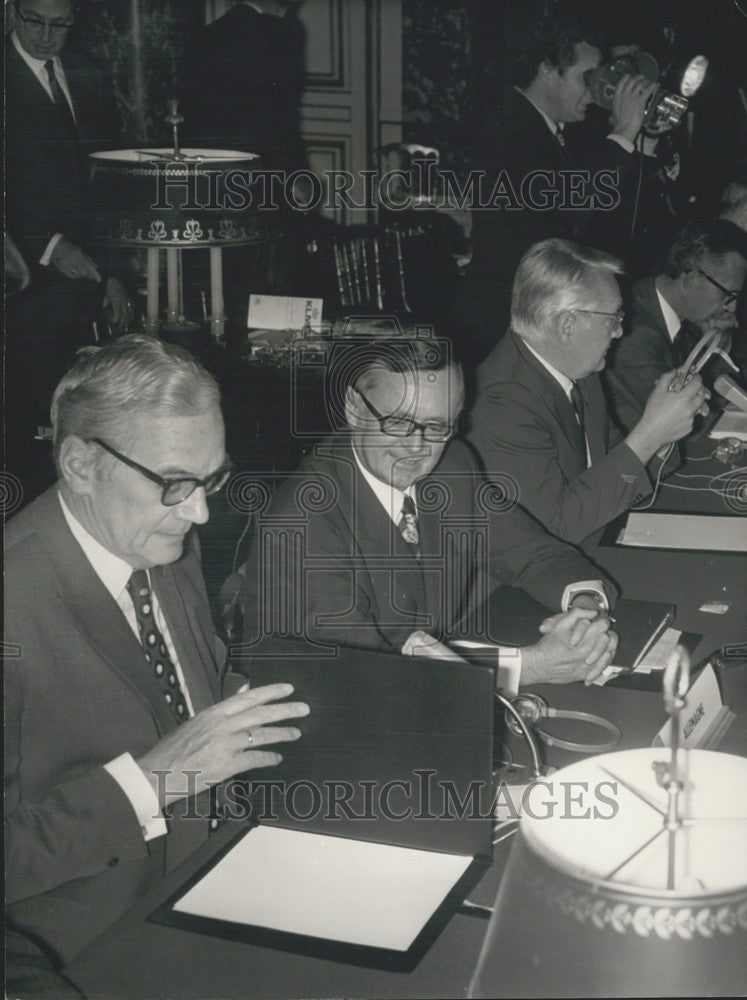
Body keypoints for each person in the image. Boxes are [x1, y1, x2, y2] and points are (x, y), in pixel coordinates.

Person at [4, 335, 309, 972]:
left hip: (213, 872)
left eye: (212, 478)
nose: (199, 512)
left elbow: (201, 680)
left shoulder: (157, 538)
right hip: (86, 946)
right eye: (175, 483)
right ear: (81, 466)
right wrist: (154, 781)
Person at [238, 338, 618, 687]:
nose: (417, 447)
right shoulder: (302, 522)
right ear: (354, 407)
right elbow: (364, 674)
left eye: (437, 426)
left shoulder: (451, 465)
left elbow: (532, 551)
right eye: (399, 422)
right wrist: (526, 667)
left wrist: (584, 610)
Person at [467, 239, 709, 544]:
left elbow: (617, 467)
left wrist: (664, 433)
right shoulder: (501, 404)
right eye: (613, 319)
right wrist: (651, 434)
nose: (620, 331)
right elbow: (554, 530)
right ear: (568, 325)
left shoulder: (578, 367)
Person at [460, 12, 656, 358]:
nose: (595, 94)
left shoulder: (545, 129)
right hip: (506, 317)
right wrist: (625, 130)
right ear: (548, 70)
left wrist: (641, 146)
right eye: (587, 78)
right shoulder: (510, 127)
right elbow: (573, 202)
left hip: (530, 305)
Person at [5, 0, 130, 488]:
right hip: (23, 284)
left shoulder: (87, 73)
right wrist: (50, 245)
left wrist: (115, 273)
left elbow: (111, 183)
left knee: (86, 429)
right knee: (32, 439)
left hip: (88, 283)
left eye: (59, 25)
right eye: (34, 21)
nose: (44, 36)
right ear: (13, 13)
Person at [604, 220, 747, 433]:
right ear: (692, 279)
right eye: (727, 295)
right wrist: (716, 352)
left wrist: (717, 349)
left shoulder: (681, 314)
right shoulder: (631, 334)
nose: (732, 308)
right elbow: (688, 418)